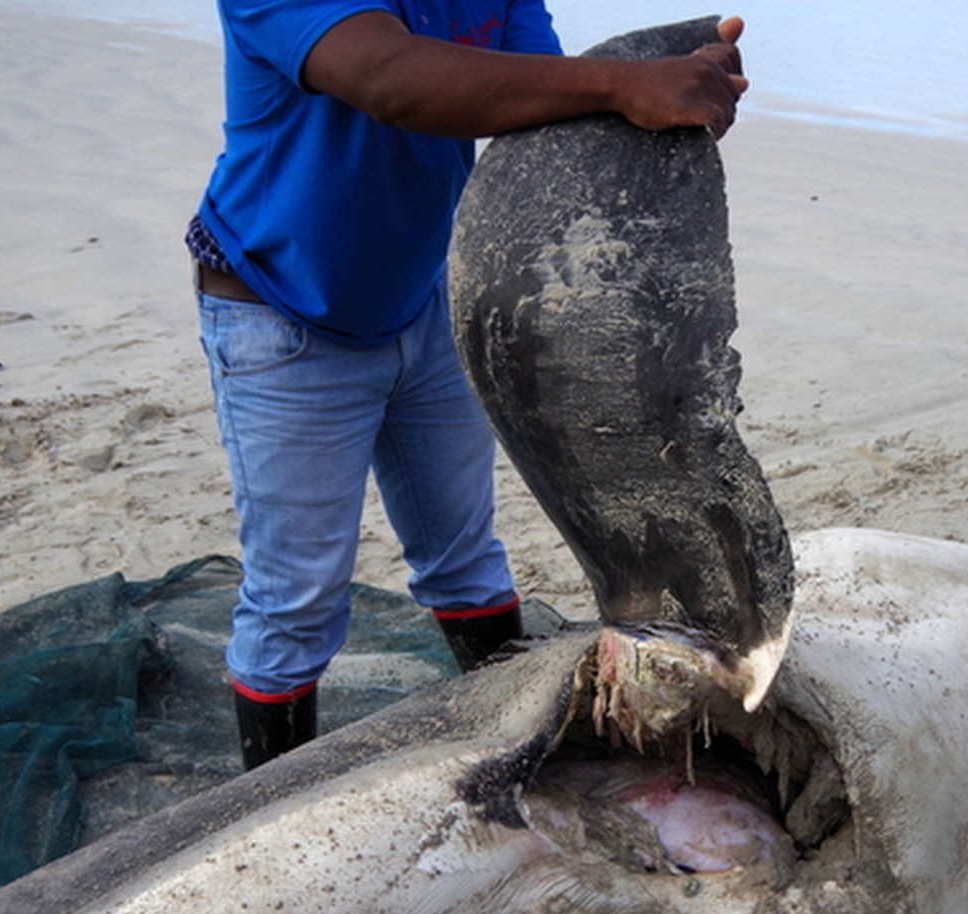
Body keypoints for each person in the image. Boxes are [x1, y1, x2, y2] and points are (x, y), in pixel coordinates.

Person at [187, 4, 748, 770]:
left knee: (464, 558)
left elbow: (547, 103)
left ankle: (527, 752)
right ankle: (260, 815)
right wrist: (628, 82)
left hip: (425, 300)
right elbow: (393, 82)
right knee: (297, 600)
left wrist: (673, 90)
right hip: (281, 310)